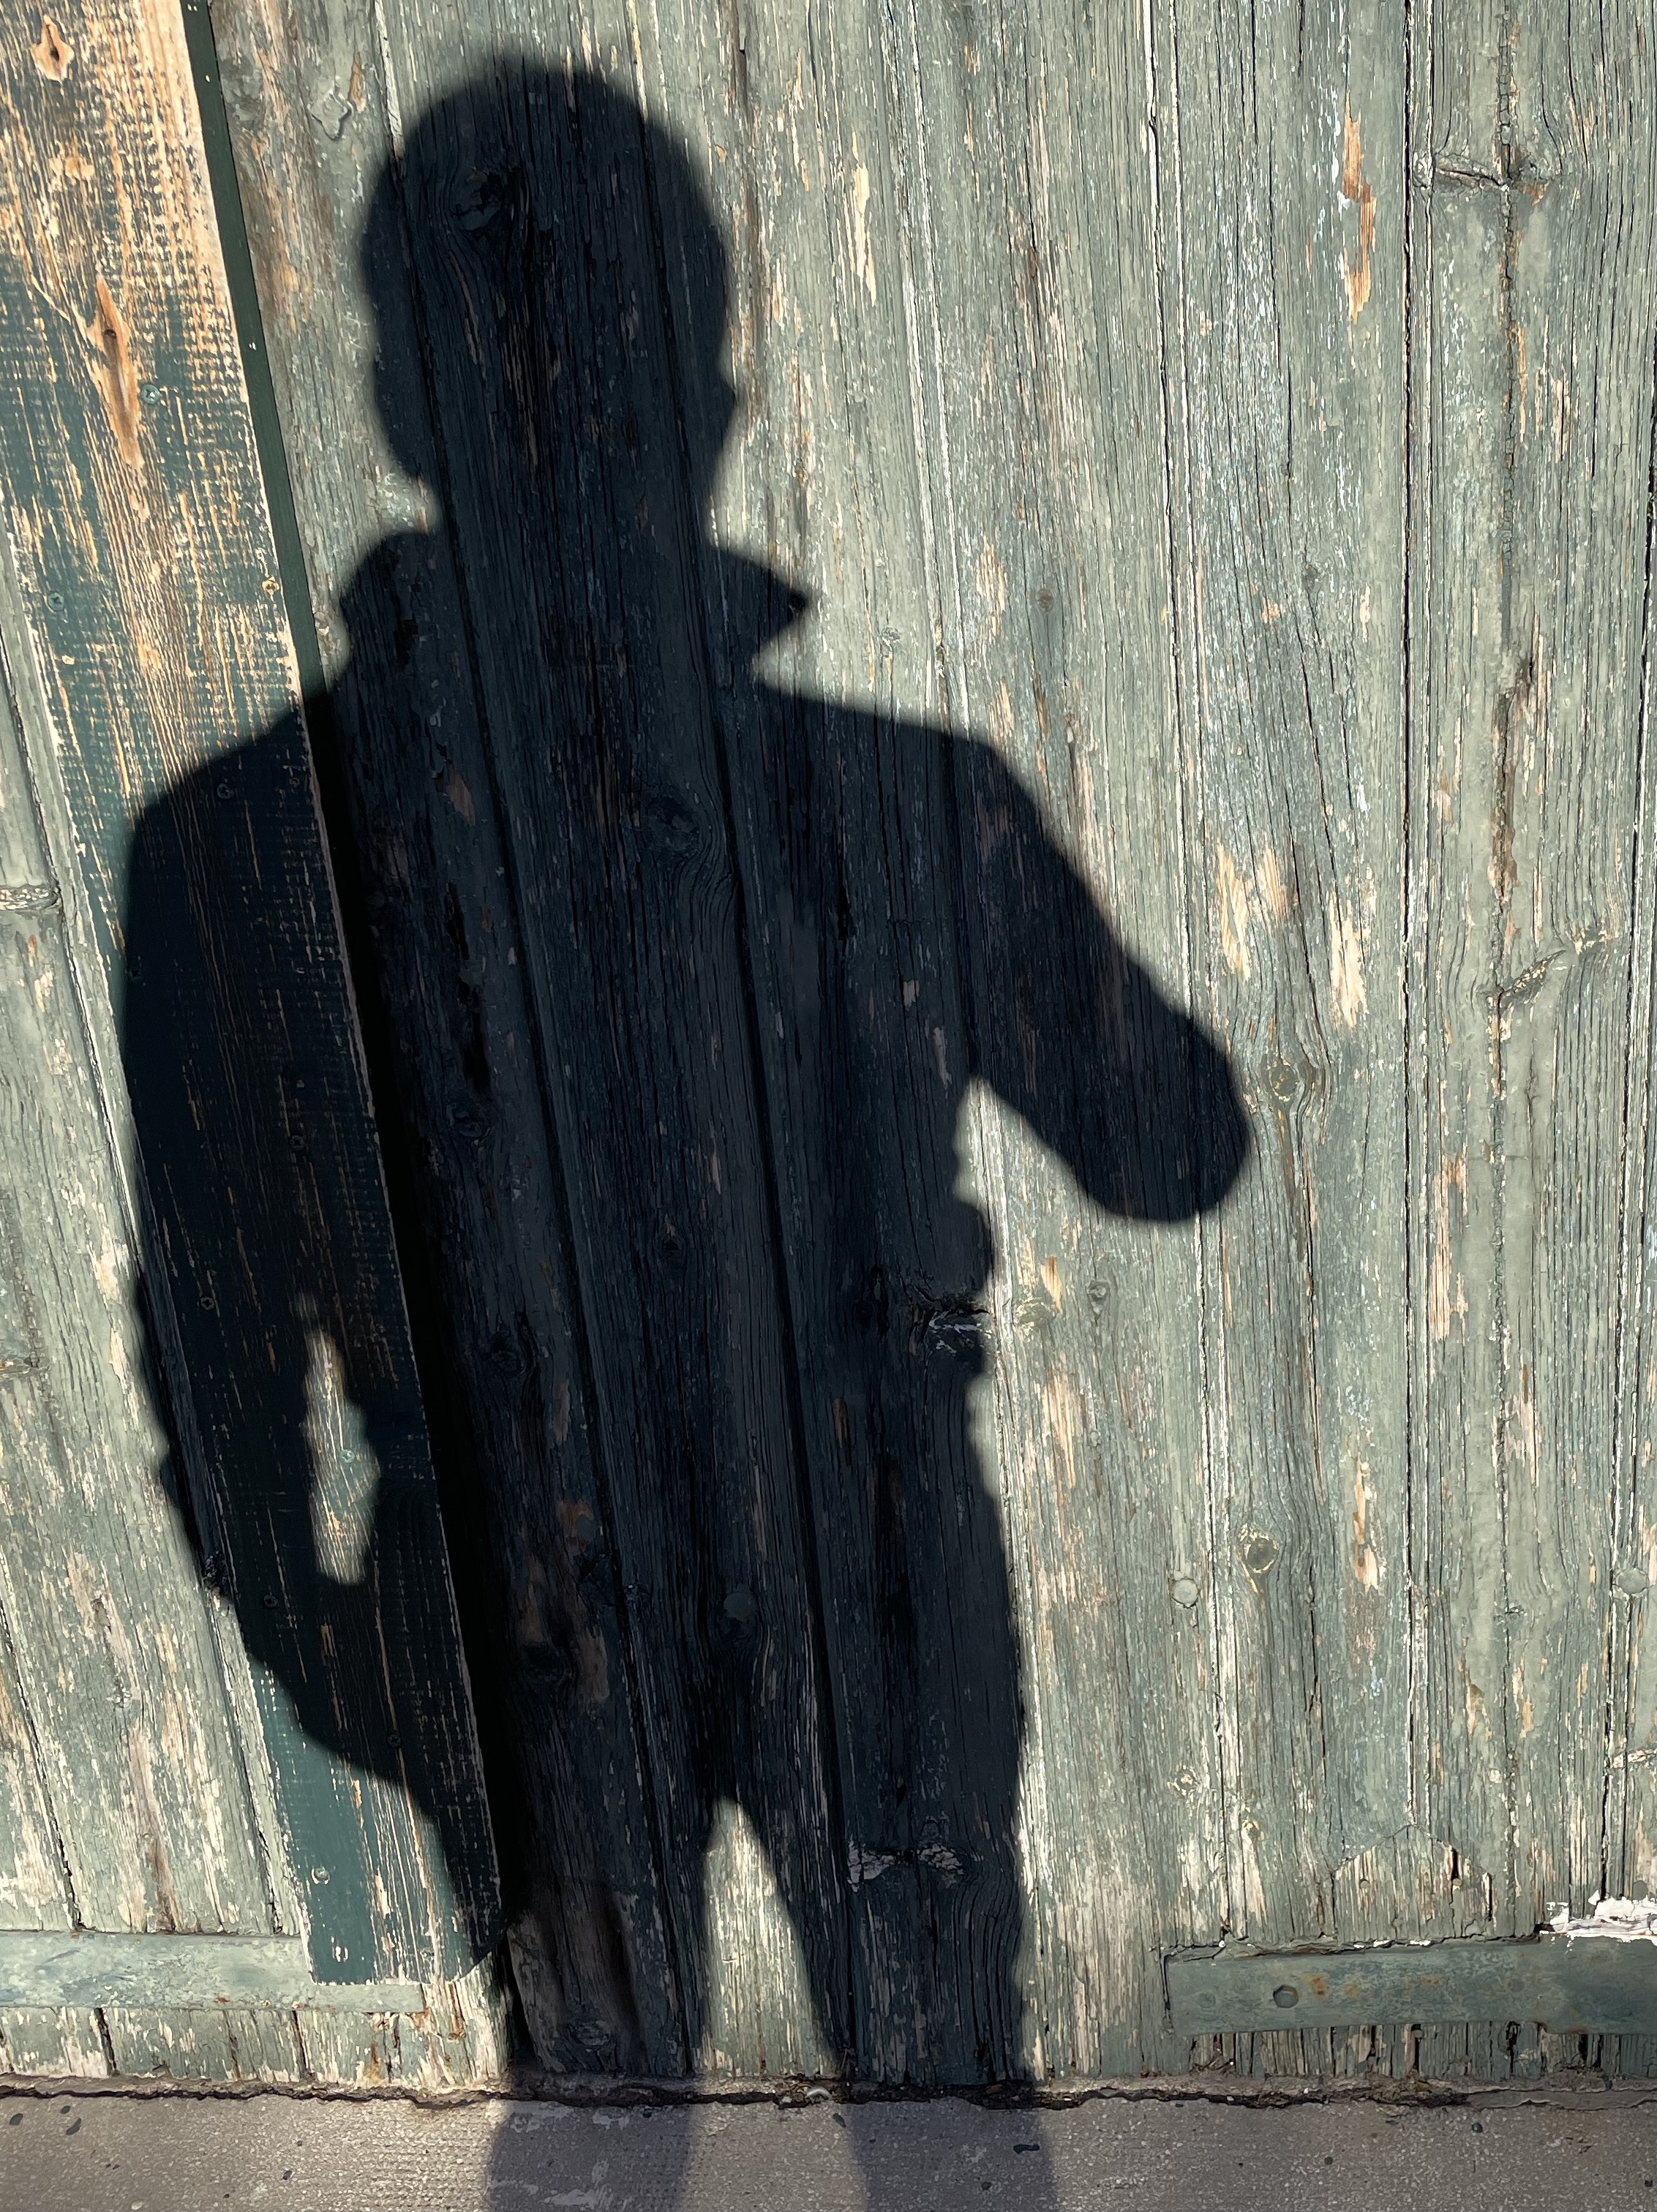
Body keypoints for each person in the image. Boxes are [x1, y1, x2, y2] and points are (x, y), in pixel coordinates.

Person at [121, 61, 1247, 2106]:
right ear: (714, 409)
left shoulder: (232, 836)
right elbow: (1175, 1146)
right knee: (933, 2086)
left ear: (395, 411)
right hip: (863, 1543)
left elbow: (210, 1310)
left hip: (516, 1572)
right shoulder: (905, 797)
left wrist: (302, 1622)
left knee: (602, 2110)